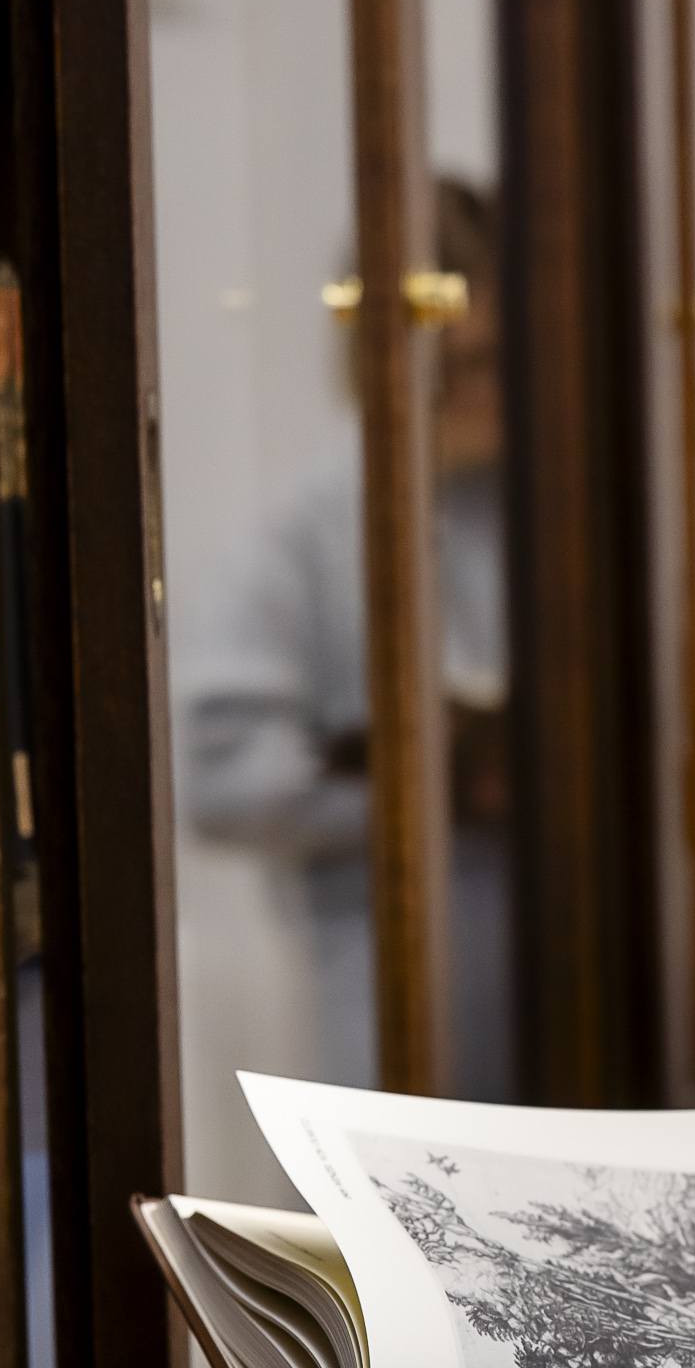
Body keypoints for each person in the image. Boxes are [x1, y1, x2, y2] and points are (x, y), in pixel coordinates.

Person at [179, 174, 513, 1100]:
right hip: (393, 1027)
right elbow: (218, 782)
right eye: (463, 365)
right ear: (387, 359)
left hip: (564, 1011)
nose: (487, 390)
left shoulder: (551, 518)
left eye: (500, 361)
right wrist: (429, 787)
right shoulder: (300, 536)